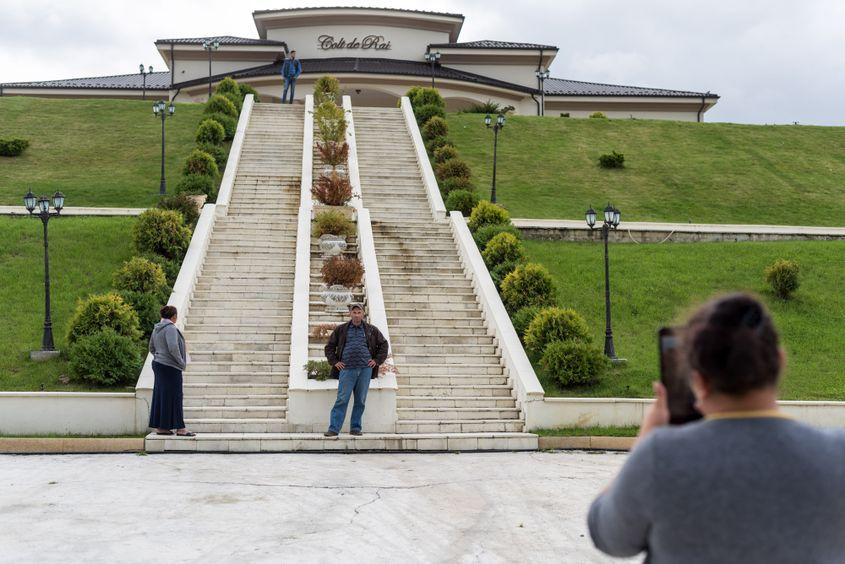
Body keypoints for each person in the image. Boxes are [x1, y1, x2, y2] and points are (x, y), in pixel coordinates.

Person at [588, 293, 845, 562]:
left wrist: (644, 440)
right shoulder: (838, 453)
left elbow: (608, 536)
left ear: (698, 380)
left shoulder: (661, 456)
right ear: (780, 361)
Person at [324, 303, 389, 437]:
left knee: (360, 400)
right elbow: (329, 347)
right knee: (342, 399)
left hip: (365, 370)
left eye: (359, 312)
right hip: (346, 369)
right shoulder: (341, 329)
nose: (356, 315)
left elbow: (383, 344)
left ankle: (355, 428)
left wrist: (376, 361)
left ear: (363, 314)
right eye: (354, 312)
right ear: (350, 314)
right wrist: (335, 362)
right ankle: (334, 429)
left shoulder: (371, 330)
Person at [148, 305, 194, 437]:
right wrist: (181, 362)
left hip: (159, 364)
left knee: (162, 396)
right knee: (176, 396)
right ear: (174, 316)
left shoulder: (157, 328)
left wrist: (159, 356)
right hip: (170, 367)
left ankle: (162, 427)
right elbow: (173, 348)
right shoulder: (171, 328)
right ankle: (180, 429)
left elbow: (151, 348)